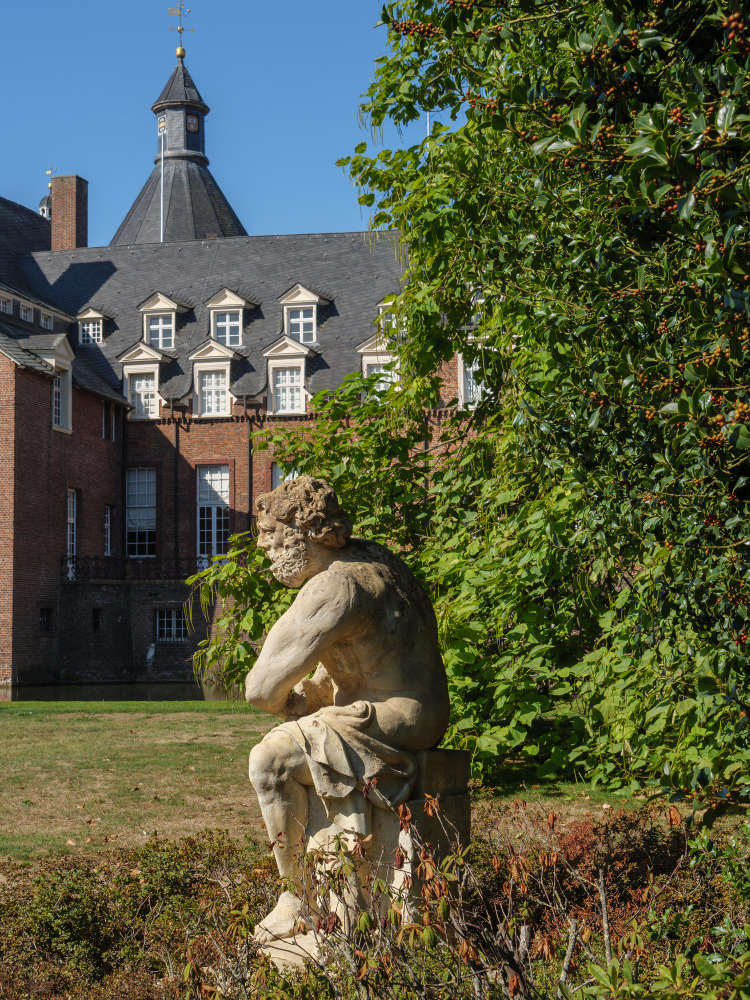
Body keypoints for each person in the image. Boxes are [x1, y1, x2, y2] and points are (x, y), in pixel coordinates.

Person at [245, 476, 450, 943]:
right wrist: (317, 694)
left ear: (302, 533)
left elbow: (260, 689)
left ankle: (296, 897)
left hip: (392, 717)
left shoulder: (332, 587)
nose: (267, 553)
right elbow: (372, 653)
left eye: (273, 540)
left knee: (270, 761)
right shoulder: (377, 559)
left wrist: (289, 704)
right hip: (425, 711)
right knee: (303, 735)